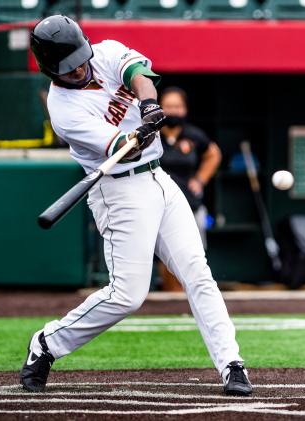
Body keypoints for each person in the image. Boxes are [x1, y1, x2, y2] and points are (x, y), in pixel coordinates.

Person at [20, 15, 252, 396]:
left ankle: (231, 364)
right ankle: (46, 343)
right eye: (68, 67)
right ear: (50, 69)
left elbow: (139, 74)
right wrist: (135, 136)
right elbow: (119, 150)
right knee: (127, 295)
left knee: (197, 272)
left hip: (161, 179)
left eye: (80, 59)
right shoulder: (63, 110)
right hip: (118, 191)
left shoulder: (106, 52)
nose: (79, 69)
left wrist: (148, 106)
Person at [157, 87, 222, 291]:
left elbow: (214, 154)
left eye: (177, 107)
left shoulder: (193, 135)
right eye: (168, 106)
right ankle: (171, 296)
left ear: (184, 109)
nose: (173, 111)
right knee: (165, 253)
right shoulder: (151, 134)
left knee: (191, 253)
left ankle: (189, 295)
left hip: (189, 203)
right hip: (158, 203)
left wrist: (200, 180)